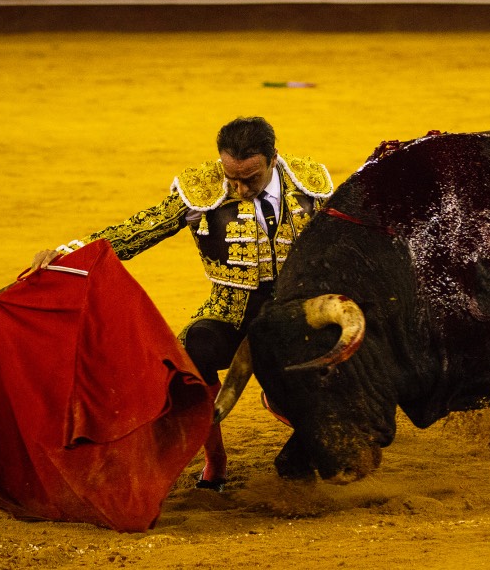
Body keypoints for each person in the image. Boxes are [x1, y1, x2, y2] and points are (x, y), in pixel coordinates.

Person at [31, 117, 334, 491]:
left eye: (250, 178)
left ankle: (295, 419)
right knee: (193, 351)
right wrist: (71, 252)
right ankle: (215, 459)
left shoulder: (310, 186)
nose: (240, 188)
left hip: (295, 310)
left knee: (345, 348)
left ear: (273, 158)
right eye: (232, 178)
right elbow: (141, 229)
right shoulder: (202, 191)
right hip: (230, 310)